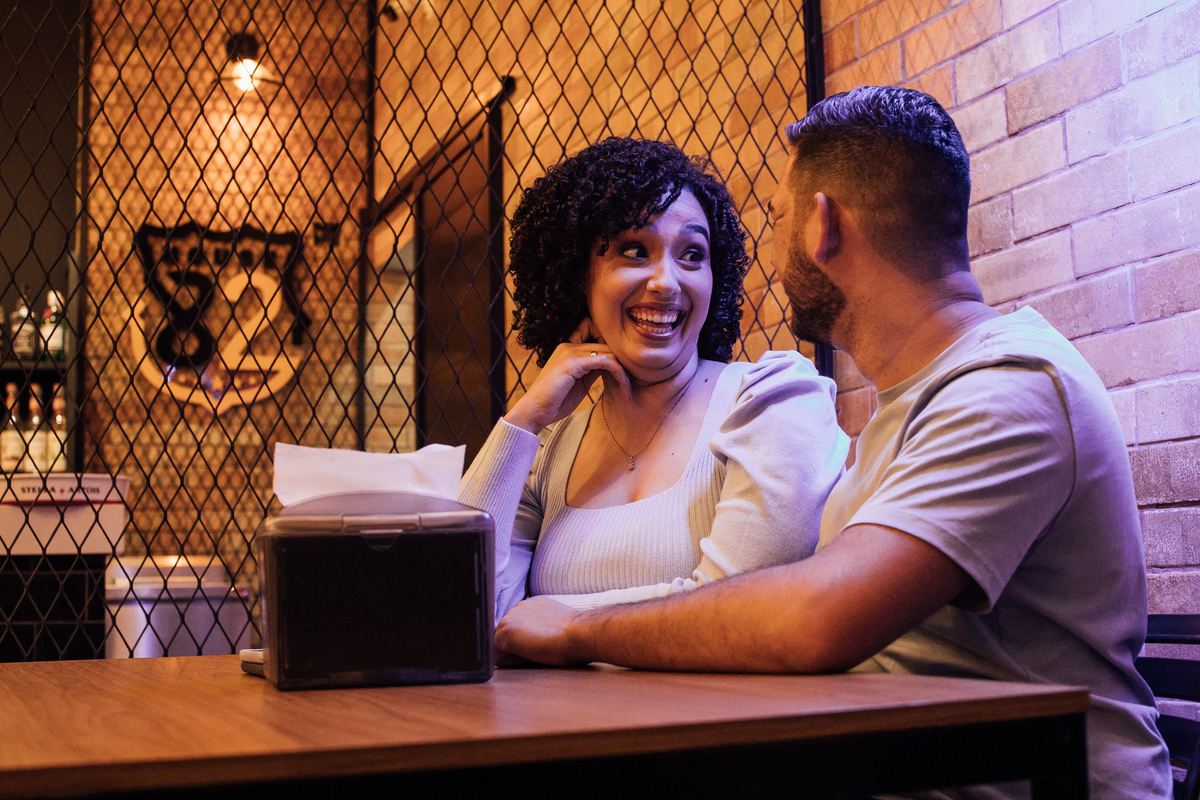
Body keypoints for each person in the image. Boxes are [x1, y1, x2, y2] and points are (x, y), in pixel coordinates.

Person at [493, 90, 1172, 798]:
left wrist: (577, 630)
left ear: (821, 225)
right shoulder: (911, 403)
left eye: (779, 218)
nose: (766, 250)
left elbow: (816, 619)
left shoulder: (1010, 386)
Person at [460, 137, 848, 625]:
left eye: (691, 255)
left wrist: (543, 618)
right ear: (578, 276)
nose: (666, 281)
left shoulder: (773, 400)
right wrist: (524, 419)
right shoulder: (548, 453)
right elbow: (464, 612)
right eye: (634, 251)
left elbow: (736, 607)